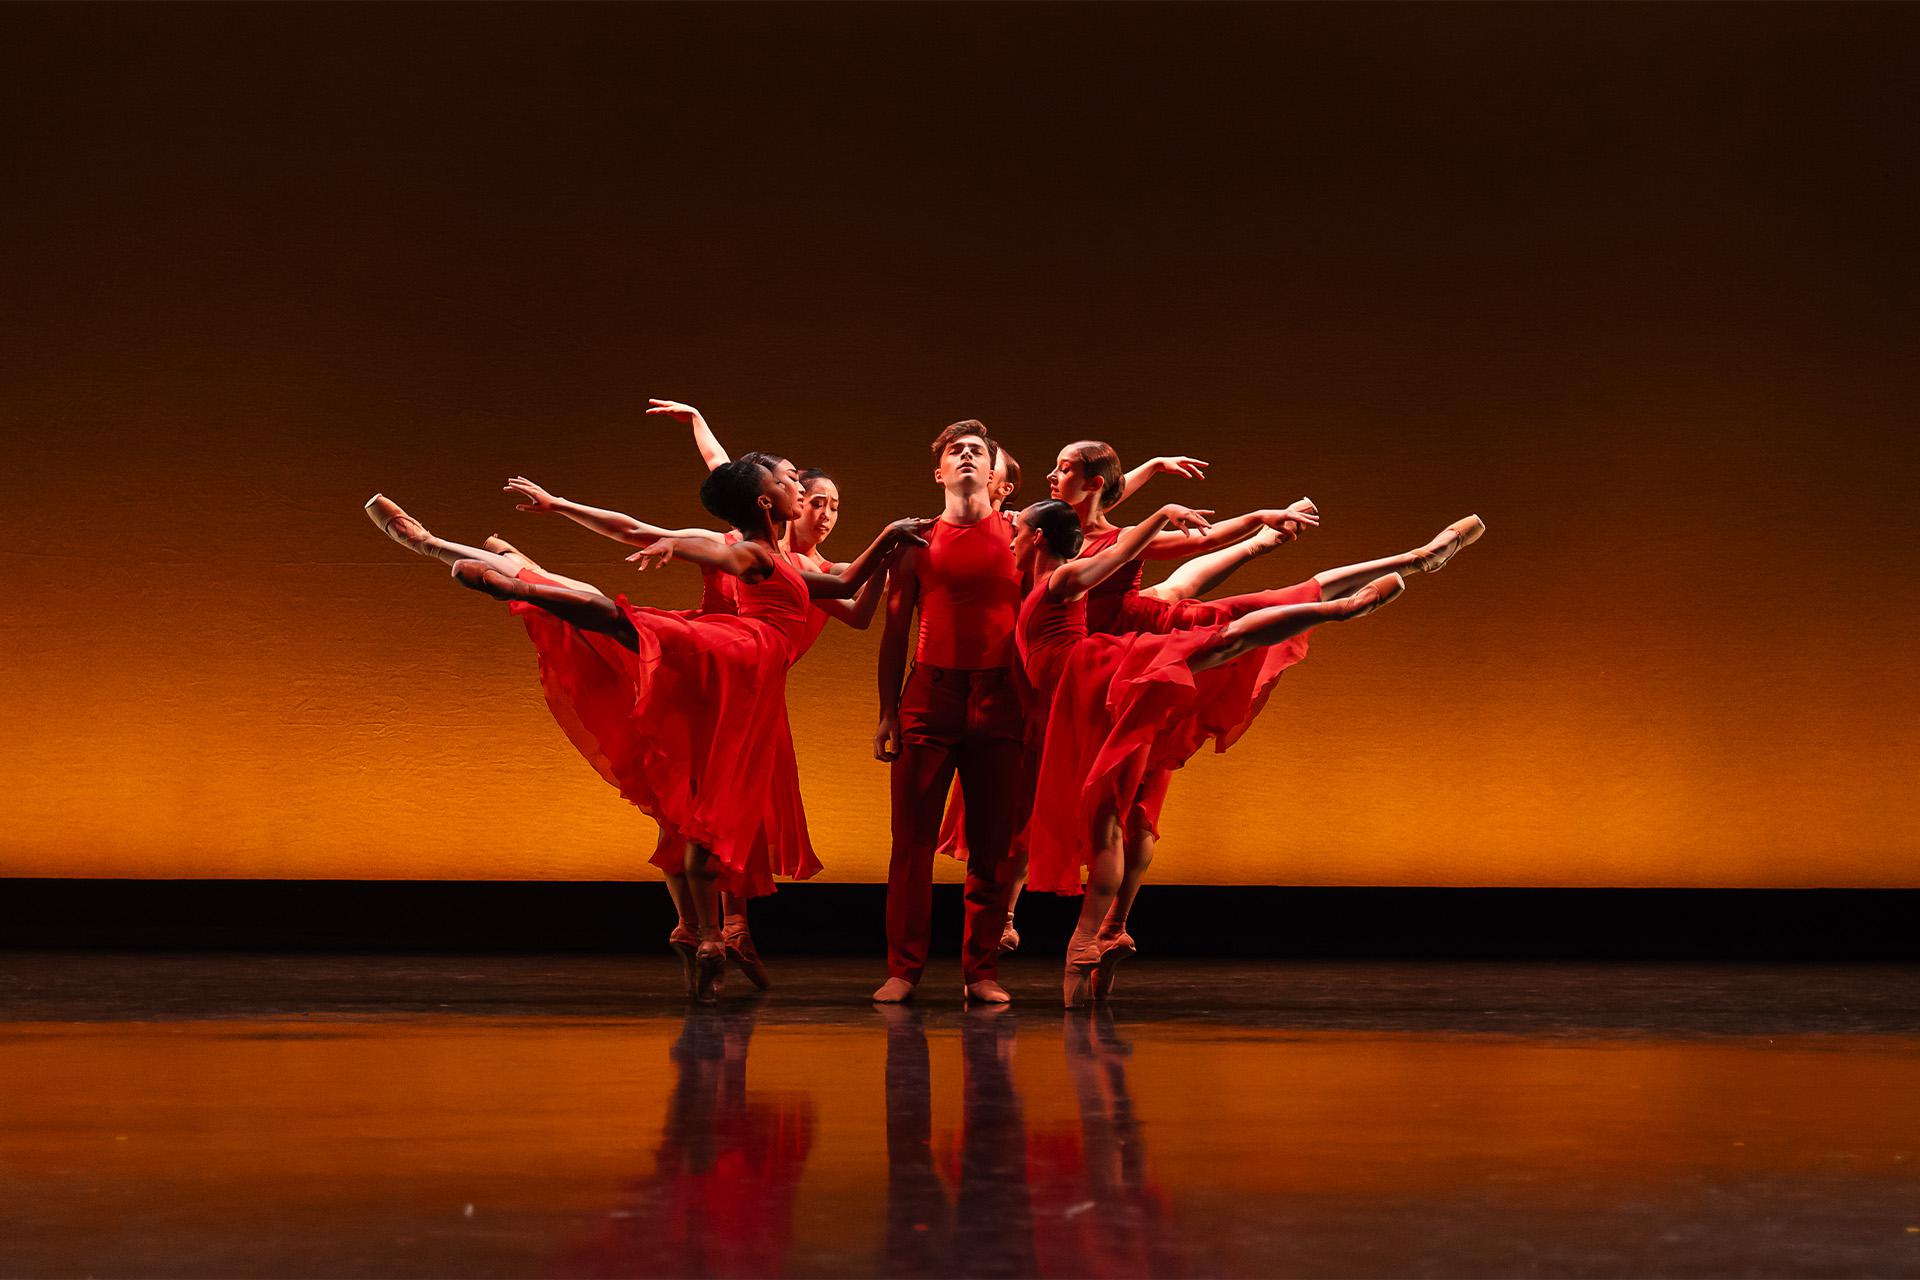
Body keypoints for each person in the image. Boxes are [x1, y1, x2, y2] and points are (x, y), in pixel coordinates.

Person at [365, 460, 925, 1001]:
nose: (805, 496)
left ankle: (709, 934)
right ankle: (490, 570)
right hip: (732, 660)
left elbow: (849, 582)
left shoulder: (794, 565)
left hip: (739, 684)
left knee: (703, 804)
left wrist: (889, 544)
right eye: (795, 485)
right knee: (618, 621)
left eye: (822, 498)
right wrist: (655, 537)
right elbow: (674, 527)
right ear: (768, 500)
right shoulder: (750, 550)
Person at [1012, 497, 1479, 1006]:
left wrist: (1177, 514)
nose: (1052, 476)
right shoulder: (1060, 556)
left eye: (1062, 469)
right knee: (1124, 807)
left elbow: (1135, 541)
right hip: (1103, 671)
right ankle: (1105, 931)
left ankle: (1353, 600)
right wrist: (1250, 528)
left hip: (1105, 663)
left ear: (1039, 534)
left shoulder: (1074, 567)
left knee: (1229, 639)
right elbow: (1137, 518)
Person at [873, 421, 1026, 1005]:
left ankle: (981, 971)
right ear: (938, 472)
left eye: (977, 452)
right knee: (910, 843)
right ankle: (903, 970)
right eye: (955, 451)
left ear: (993, 471)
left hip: (1001, 699)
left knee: (992, 844)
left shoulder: (1020, 536)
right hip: (930, 699)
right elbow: (893, 633)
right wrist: (887, 712)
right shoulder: (914, 543)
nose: (966, 456)